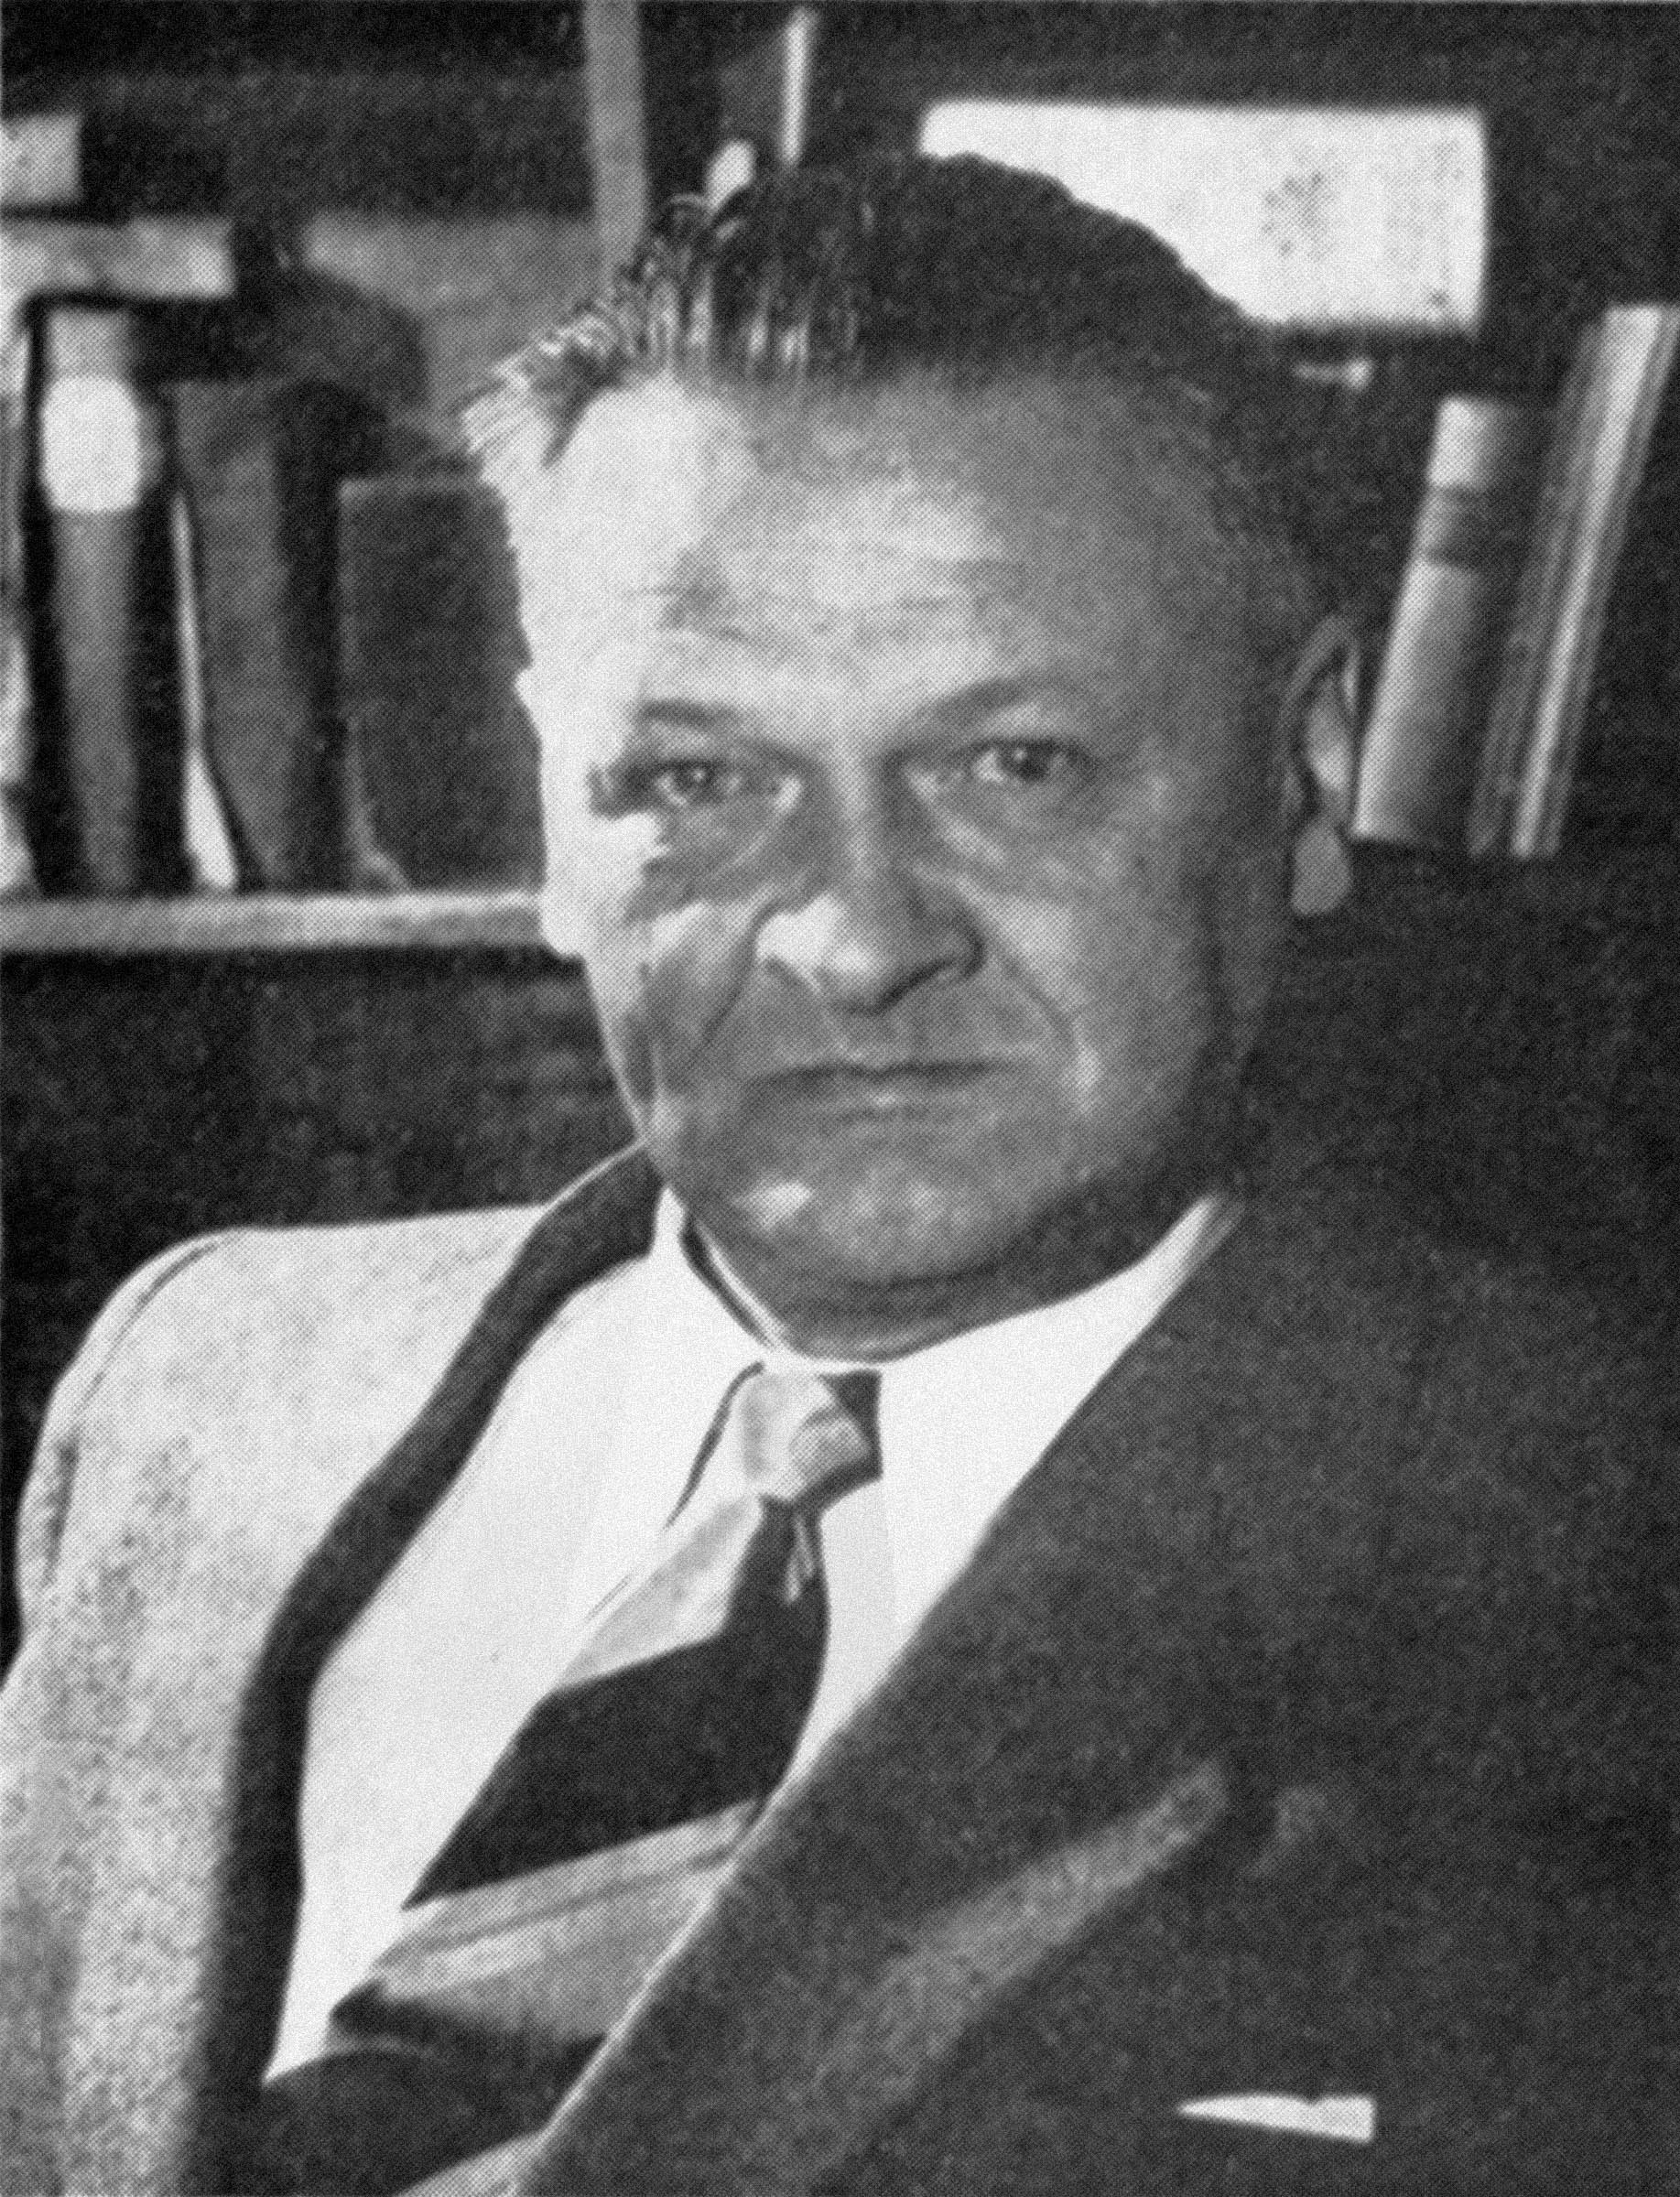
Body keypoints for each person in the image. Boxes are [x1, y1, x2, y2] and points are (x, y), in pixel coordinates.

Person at [0, 157, 1670, 2197]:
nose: (856, 940)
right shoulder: (199, 1392)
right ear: (553, 816)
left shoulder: (1594, 1563)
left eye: (1012, 766)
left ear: (1306, 769)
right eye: (698, 779)